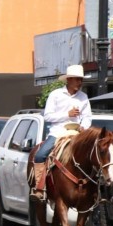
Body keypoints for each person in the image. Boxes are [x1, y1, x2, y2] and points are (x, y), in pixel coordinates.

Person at [31, 64, 92, 200]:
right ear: (68, 79)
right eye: (77, 79)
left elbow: (87, 117)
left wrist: (84, 126)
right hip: (58, 133)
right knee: (40, 155)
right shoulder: (56, 94)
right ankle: (39, 187)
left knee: (93, 155)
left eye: (81, 80)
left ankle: (95, 191)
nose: (79, 82)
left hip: (76, 134)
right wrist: (67, 114)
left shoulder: (83, 97)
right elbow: (47, 116)